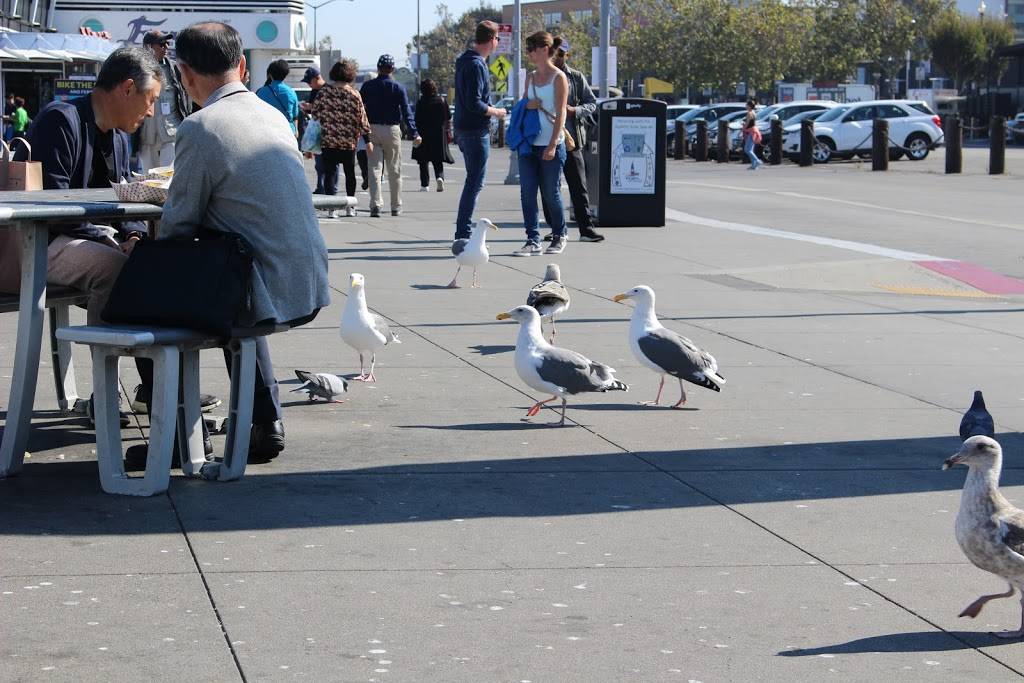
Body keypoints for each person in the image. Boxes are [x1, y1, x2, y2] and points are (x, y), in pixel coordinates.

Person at [163, 21, 330, 460]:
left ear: (185, 75)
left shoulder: (201, 127)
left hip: (259, 292)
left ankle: (177, 438)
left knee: (143, 291)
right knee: (227, 275)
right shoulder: (273, 116)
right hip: (304, 281)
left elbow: (177, 227)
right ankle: (264, 418)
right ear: (241, 65)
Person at [539, 38, 604, 243]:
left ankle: (586, 229)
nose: (558, 57)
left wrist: (575, 110)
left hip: (571, 141)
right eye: (555, 52)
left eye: (562, 53)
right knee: (550, 188)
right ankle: (555, 228)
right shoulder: (542, 76)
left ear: (566, 55)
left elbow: (592, 104)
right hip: (548, 140)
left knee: (578, 187)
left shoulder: (575, 77)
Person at [514, 32, 569, 257]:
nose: (528, 53)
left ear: (544, 49)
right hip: (529, 143)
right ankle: (532, 239)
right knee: (527, 192)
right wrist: (528, 105)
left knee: (550, 192)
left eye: (531, 49)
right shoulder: (530, 77)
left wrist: (554, 144)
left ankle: (559, 234)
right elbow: (525, 105)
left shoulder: (559, 78)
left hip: (550, 144)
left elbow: (561, 112)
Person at [453, 20, 506, 241]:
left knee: (473, 180)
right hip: (475, 130)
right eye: (497, 39)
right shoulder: (476, 65)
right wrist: (496, 112)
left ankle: (463, 230)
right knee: (474, 182)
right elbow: (474, 102)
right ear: (491, 39)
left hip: (464, 128)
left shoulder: (465, 61)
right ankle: (463, 231)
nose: (498, 43)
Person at [359, 54, 419, 217]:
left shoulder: (368, 86)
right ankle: (396, 206)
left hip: (372, 129)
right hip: (392, 129)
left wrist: (360, 130)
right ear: (392, 69)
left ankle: (375, 205)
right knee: (394, 169)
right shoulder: (398, 88)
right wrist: (414, 132)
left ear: (378, 68)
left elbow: (360, 110)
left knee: (374, 169)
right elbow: (407, 112)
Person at [312, 59, 371, 217]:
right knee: (350, 173)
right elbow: (362, 119)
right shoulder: (354, 94)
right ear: (350, 75)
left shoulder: (324, 93)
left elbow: (315, 115)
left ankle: (331, 208)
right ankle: (350, 207)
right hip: (348, 141)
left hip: (328, 140)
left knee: (330, 173)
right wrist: (368, 140)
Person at [137, 30, 191, 171]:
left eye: (167, 44)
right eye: (161, 44)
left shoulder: (175, 68)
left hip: (171, 131)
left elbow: (186, 97)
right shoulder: (136, 69)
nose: (166, 47)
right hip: (145, 134)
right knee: (148, 178)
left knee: (168, 177)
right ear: (148, 47)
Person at [412, 79, 450, 192]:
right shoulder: (442, 101)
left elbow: (416, 119)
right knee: (437, 160)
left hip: (423, 134)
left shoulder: (420, 102)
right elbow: (448, 117)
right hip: (438, 134)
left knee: (423, 161)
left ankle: (425, 185)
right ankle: (439, 177)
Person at [299, 66, 327, 193]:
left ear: (317, 78)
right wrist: (306, 107)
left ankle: (329, 188)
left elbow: (328, 108)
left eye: (309, 81)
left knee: (330, 164)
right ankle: (320, 187)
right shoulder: (314, 91)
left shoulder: (328, 90)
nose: (309, 85)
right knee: (319, 164)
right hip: (317, 131)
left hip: (328, 132)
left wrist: (312, 106)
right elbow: (312, 109)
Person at [256, 59, 300, 138]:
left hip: (267, 133)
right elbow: (295, 116)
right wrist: (296, 131)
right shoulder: (291, 92)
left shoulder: (260, 92)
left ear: (270, 75)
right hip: (288, 132)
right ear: (285, 74)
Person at [742, 99, 763, 170]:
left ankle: (757, 161)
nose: (746, 106)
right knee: (750, 149)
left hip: (751, 132)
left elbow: (748, 123)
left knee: (747, 150)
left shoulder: (749, 113)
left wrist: (744, 127)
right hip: (754, 130)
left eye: (747, 105)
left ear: (750, 106)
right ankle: (754, 165)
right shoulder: (753, 113)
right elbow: (753, 123)